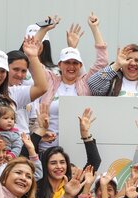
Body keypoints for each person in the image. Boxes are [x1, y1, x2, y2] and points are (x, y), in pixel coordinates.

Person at [33, 12, 109, 150]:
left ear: (80, 66)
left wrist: (95, 28)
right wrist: (44, 29)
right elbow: (32, 53)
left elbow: (102, 61)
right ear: (59, 65)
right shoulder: (49, 80)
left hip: (78, 148)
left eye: (75, 63)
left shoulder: (86, 82)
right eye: (67, 62)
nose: (71, 66)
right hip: (47, 148)